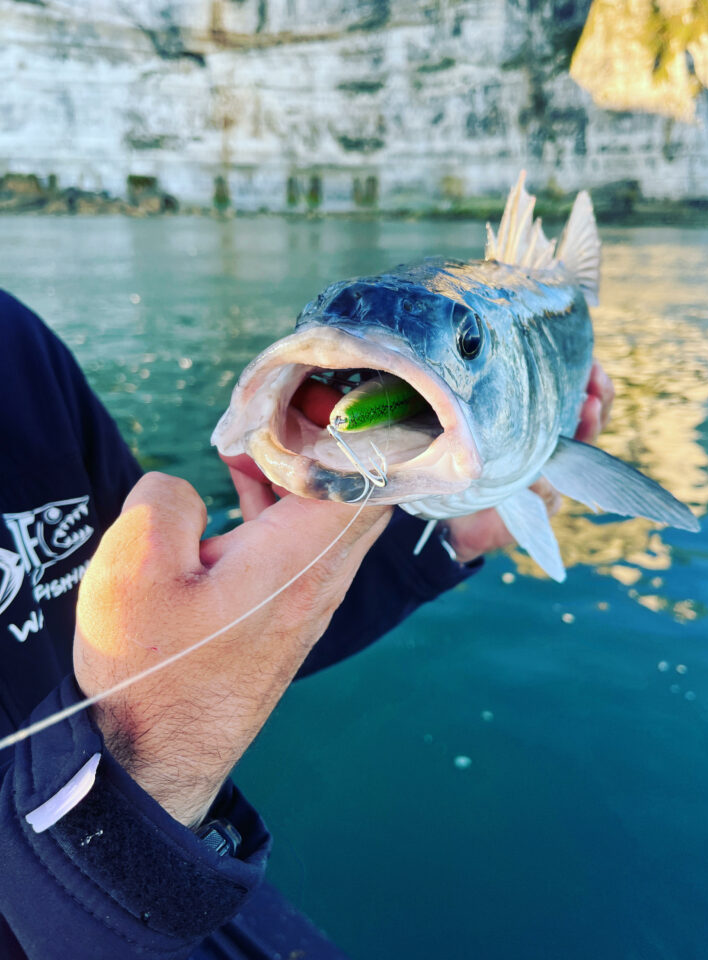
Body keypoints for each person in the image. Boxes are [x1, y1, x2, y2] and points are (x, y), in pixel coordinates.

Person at [0, 290, 613, 959]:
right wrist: (141, 776)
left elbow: (197, 637)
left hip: (163, 892)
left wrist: (445, 537)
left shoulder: (18, 348)